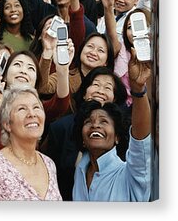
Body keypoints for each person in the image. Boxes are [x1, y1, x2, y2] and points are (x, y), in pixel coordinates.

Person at [71, 51, 152, 201]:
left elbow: (141, 141)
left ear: (117, 137)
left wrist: (138, 90)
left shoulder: (131, 174)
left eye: (104, 121)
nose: (95, 125)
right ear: (82, 137)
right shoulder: (80, 171)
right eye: (88, 121)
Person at [42, 66, 128, 201]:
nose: (100, 90)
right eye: (95, 85)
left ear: (114, 99)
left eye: (107, 87)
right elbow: (49, 174)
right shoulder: (60, 128)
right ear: (84, 92)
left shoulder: (121, 133)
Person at [0, 82, 62, 201]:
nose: (32, 114)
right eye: (22, 109)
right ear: (7, 124)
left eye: (36, 107)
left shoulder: (49, 163)